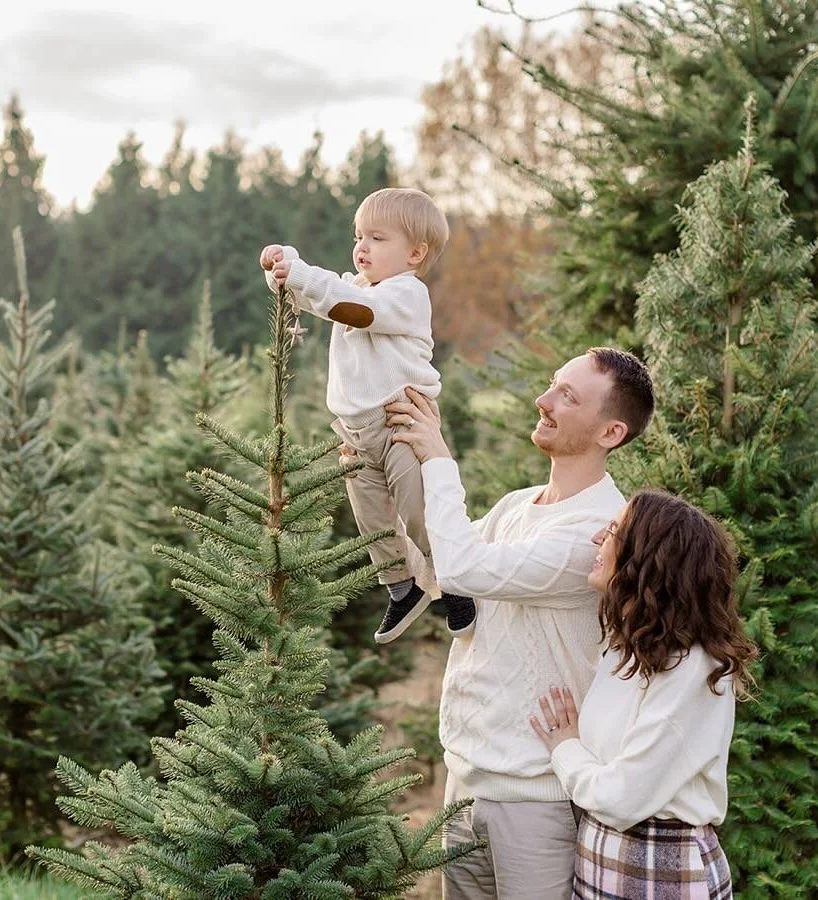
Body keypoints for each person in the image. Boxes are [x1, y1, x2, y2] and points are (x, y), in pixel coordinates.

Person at [383, 347, 656, 899]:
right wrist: (375, 476)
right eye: (553, 385)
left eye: (568, 396)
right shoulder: (516, 506)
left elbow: (462, 567)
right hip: (465, 781)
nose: (544, 400)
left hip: (535, 800)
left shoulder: (598, 532)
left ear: (611, 432)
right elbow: (437, 566)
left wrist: (438, 457)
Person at [260, 187, 475, 644]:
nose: (362, 247)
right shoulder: (355, 288)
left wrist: (301, 272)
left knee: (418, 510)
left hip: (401, 422)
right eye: (358, 236)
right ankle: (404, 587)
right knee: (372, 520)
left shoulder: (406, 295)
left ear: (415, 253)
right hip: (355, 433)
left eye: (377, 238)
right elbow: (322, 294)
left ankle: (455, 581)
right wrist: (283, 267)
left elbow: (353, 310)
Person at [529, 489, 758, 899]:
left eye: (614, 529)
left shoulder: (694, 670)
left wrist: (565, 748)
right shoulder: (627, 650)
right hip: (602, 859)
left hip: (662, 868)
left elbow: (620, 799)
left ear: (649, 557)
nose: (599, 537)